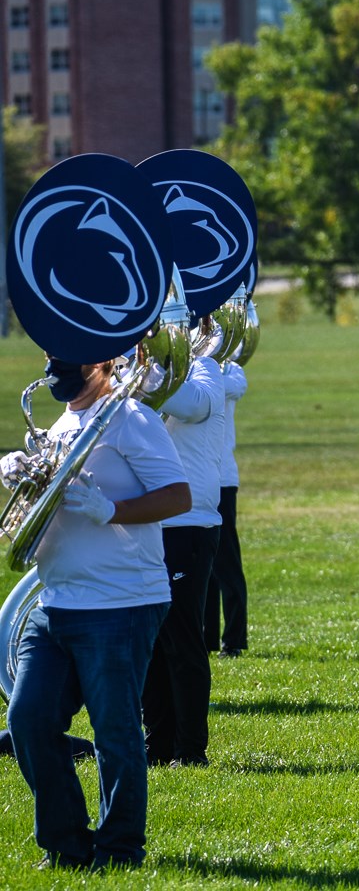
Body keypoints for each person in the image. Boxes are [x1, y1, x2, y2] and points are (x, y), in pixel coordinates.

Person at [4, 356, 190, 871]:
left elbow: (178, 495)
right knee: (28, 719)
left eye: (70, 355)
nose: (55, 364)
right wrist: (21, 474)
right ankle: (65, 844)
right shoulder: (61, 423)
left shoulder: (131, 417)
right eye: (51, 355)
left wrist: (112, 510)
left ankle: (120, 848)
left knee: (115, 733)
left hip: (120, 601)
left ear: (104, 361)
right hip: (55, 599)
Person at [143, 321, 228, 766]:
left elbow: (188, 404)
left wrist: (139, 374)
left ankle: (191, 750)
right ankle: (157, 746)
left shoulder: (206, 370)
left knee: (181, 638)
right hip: (152, 524)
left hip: (189, 524)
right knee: (153, 641)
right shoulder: (156, 377)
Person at [205, 355, 249, 656]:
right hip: (193, 480)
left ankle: (233, 640)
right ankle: (205, 638)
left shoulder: (228, 368)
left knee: (226, 561)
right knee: (200, 564)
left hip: (221, 478)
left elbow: (237, 386)